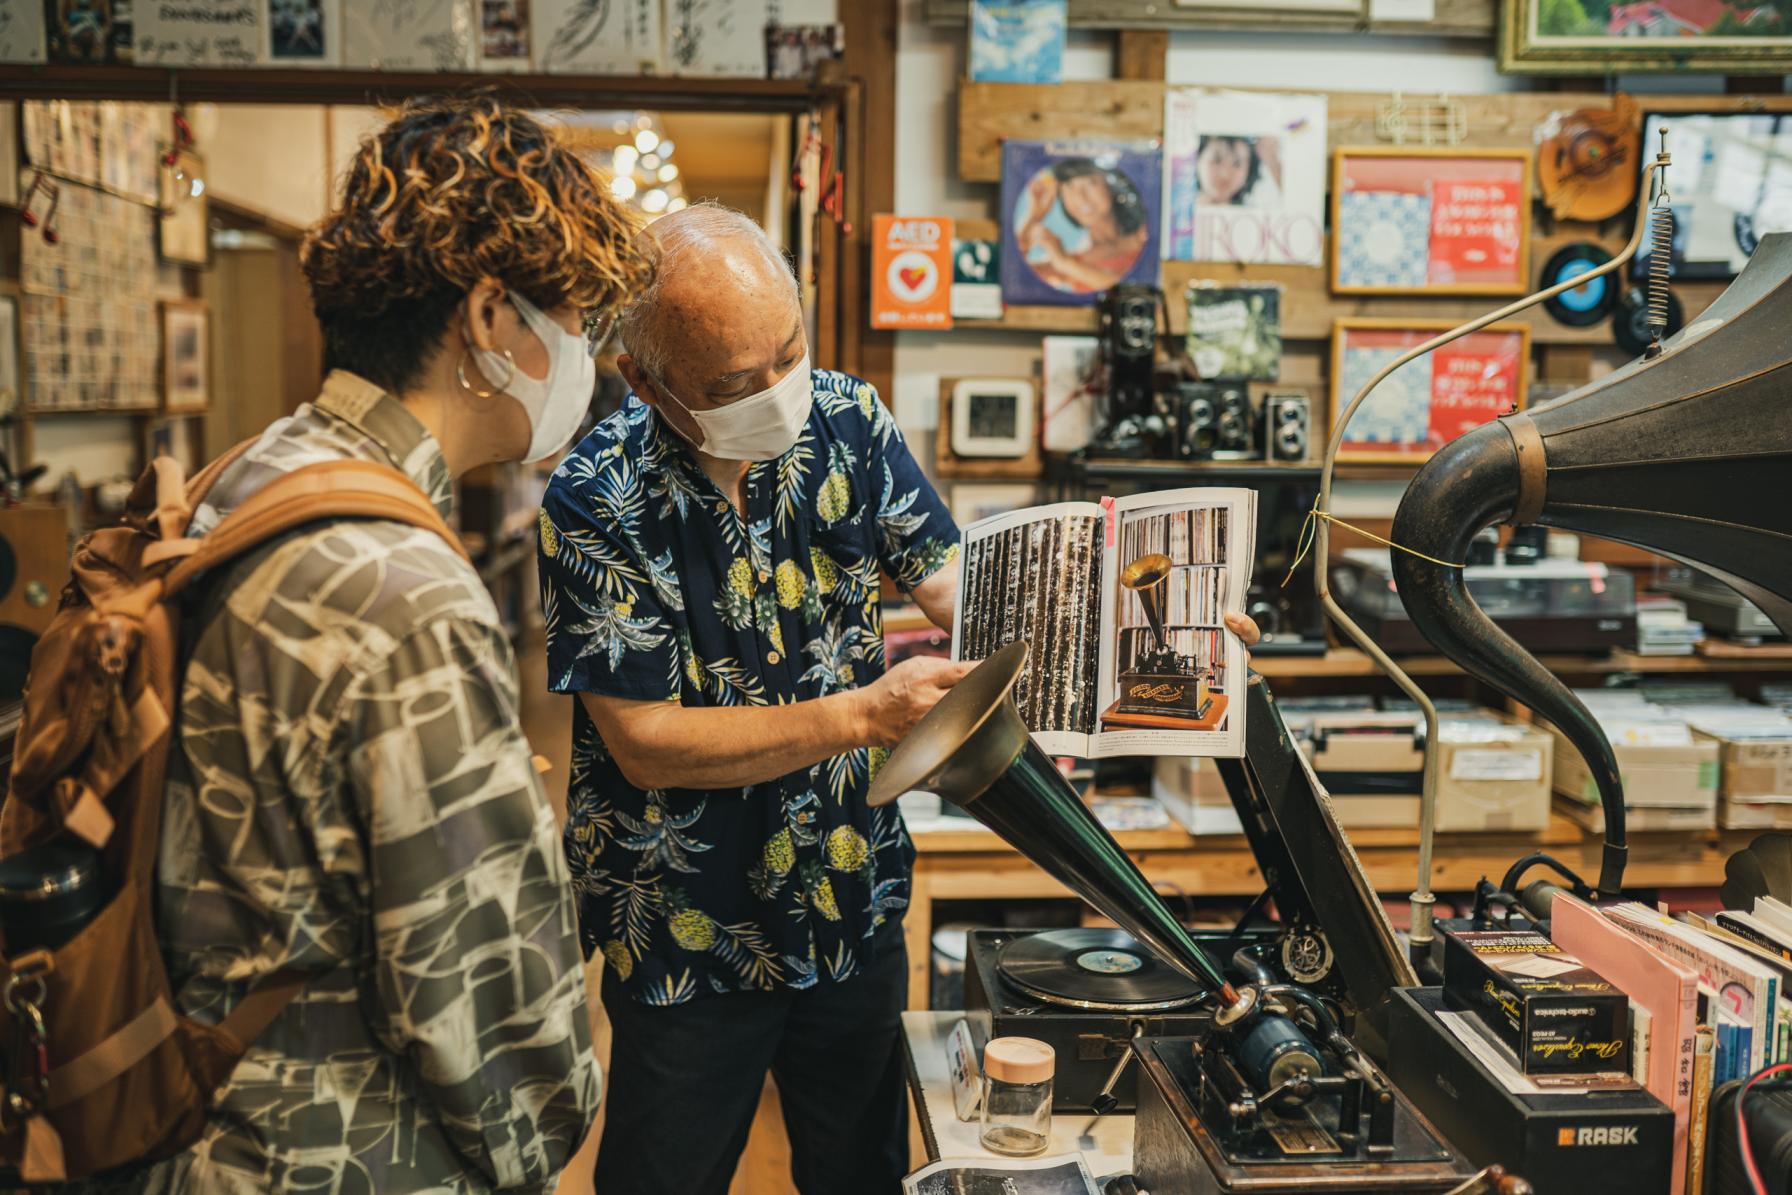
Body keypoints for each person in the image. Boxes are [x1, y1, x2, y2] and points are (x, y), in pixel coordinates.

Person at [132, 96, 650, 1193]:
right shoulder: (402, 590)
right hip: (334, 1148)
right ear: (489, 315)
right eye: (577, 324)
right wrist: (552, 1128)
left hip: (187, 1113)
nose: (584, 362)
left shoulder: (252, 471)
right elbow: (478, 989)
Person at [537, 203, 968, 1194]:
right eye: (736, 383)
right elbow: (645, 741)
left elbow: (963, 589)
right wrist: (862, 714)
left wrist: (1150, 634)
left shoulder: (851, 425)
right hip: (688, 929)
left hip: (848, 897)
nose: (779, 394)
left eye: (788, 353)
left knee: (861, 1174)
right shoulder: (596, 497)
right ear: (647, 382)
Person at [1017, 157, 1151, 293]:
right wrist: (1033, 216)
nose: (1080, 197)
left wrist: (1065, 262)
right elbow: (1015, 271)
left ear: (1113, 186)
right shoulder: (1071, 260)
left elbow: (1127, 289)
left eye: (1091, 183)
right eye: (1069, 186)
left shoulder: (1143, 235)